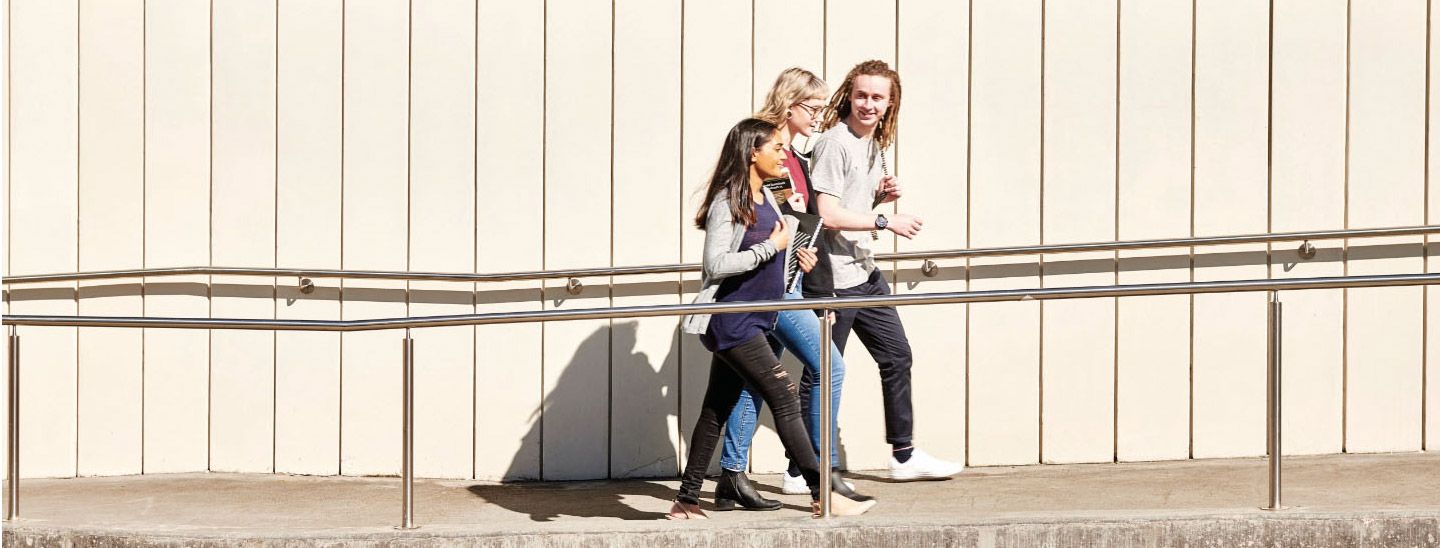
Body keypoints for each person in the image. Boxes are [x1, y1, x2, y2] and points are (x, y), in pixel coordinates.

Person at [670, 118, 876, 519]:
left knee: (717, 407)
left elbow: (769, 265)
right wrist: (770, 247)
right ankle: (822, 494)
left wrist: (795, 260)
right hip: (733, 321)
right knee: (783, 396)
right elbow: (716, 264)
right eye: (776, 149)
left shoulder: (765, 196)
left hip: (756, 318)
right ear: (753, 153)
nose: (785, 155)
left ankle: (686, 499)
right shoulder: (727, 202)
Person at [806, 59, 963, 480]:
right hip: (834, 280)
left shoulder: (874, 144)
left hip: (865, 273)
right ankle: (800, 467)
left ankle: (904, 456)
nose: (868, 104)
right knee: (822, 371)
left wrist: (876, 199)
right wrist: (884, 220)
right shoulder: (834, 143)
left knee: (897, 356)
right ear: (849, 95)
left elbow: (848, 207)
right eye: (861, 95)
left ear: (890, 103)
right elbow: (828, 214)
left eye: (877, 97)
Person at [716, 68, 866, 508]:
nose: (820, 116)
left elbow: (794, 225)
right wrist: (784, 254)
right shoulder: (769, 152)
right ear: (790, 104)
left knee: (756, 381)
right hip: (771, 286)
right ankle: (818, 470)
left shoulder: (794, 157)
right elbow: (764, 217)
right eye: (813, 108)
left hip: (789, 279)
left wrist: (802, 255)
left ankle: (731, 475)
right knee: (830, 367)